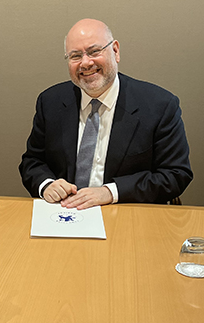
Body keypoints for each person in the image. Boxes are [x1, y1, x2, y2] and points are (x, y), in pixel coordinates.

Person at [19, 18, 193, 209]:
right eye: (75, 56)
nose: (86, 63)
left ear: (115, 51)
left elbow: (176, 175)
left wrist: (110, 192)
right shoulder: (50, 102)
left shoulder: (159, 105)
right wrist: (46, 185)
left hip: (127, 214)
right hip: (64, 214)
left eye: (94, 51)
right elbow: (32, 162)